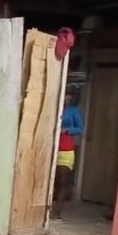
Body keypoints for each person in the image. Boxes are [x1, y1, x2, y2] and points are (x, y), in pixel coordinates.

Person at [52, 91, 84, 220]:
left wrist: (68, 130)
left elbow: (80, 128)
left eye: (69, 97)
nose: (66, 99)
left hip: (66, 149)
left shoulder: (73, 111)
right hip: (50, 147)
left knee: (62, 181)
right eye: (65, 96)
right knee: (50, 182)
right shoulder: (53, 106)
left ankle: (57, 212)